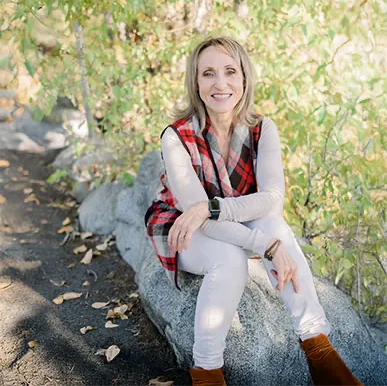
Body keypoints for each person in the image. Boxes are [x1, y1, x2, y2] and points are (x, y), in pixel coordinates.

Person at [144, 36, 363, 386]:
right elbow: (197, 218)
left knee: (273, 220)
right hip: (181, 227)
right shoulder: (176, 136)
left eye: (230, 71)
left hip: (229, 216)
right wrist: (267, 245)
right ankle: (206, 372)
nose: (220, 83)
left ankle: (319, 351)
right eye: (208, 74)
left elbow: (272, 198)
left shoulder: (262, 129)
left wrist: (214, 208)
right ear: (195, 82)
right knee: (230, 258)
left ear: (244, 78)